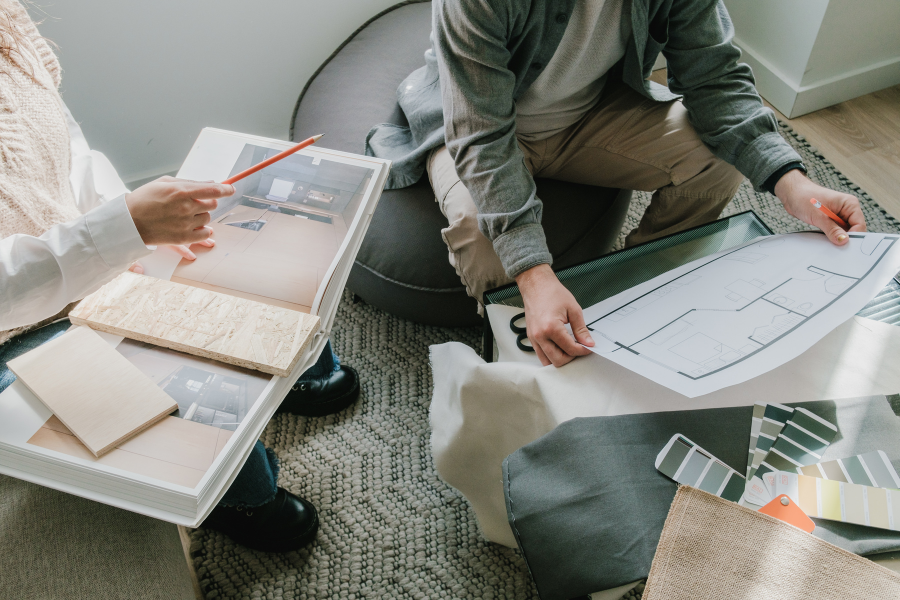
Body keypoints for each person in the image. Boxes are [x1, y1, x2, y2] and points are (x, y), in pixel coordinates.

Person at [0, 0, 358, 554]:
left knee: (244, 274)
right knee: (169, 395)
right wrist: (116, 234)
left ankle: (294, 385)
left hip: (76, 254)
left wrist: (128, 221)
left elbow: (71, 156)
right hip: (11, 327)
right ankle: (244, 499)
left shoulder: (9, 27)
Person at [366, 0, 867, 367]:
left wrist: (792, 181)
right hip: (477, 127)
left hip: (587, 114)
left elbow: (716, 77)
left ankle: (647, 299)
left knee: (714, 158)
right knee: (484, 235)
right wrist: (535, 274)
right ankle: (530, 353)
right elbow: (480, 136)